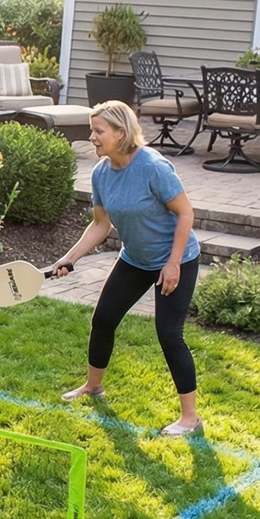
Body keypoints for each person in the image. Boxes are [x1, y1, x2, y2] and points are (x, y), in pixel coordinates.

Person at [50, 100, 203, 437]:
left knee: (169, 333)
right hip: (135, 259)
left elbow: (186, 213)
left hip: (176, 257)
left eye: (98, 131)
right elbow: (100, 225)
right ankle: (93, 385)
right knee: (103, 319)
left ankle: (190, 418)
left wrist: (174, 263)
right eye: (93, 130)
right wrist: (70, 257)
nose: (92, 137)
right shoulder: (101, 174)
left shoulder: (152, 167)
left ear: (121, 133)